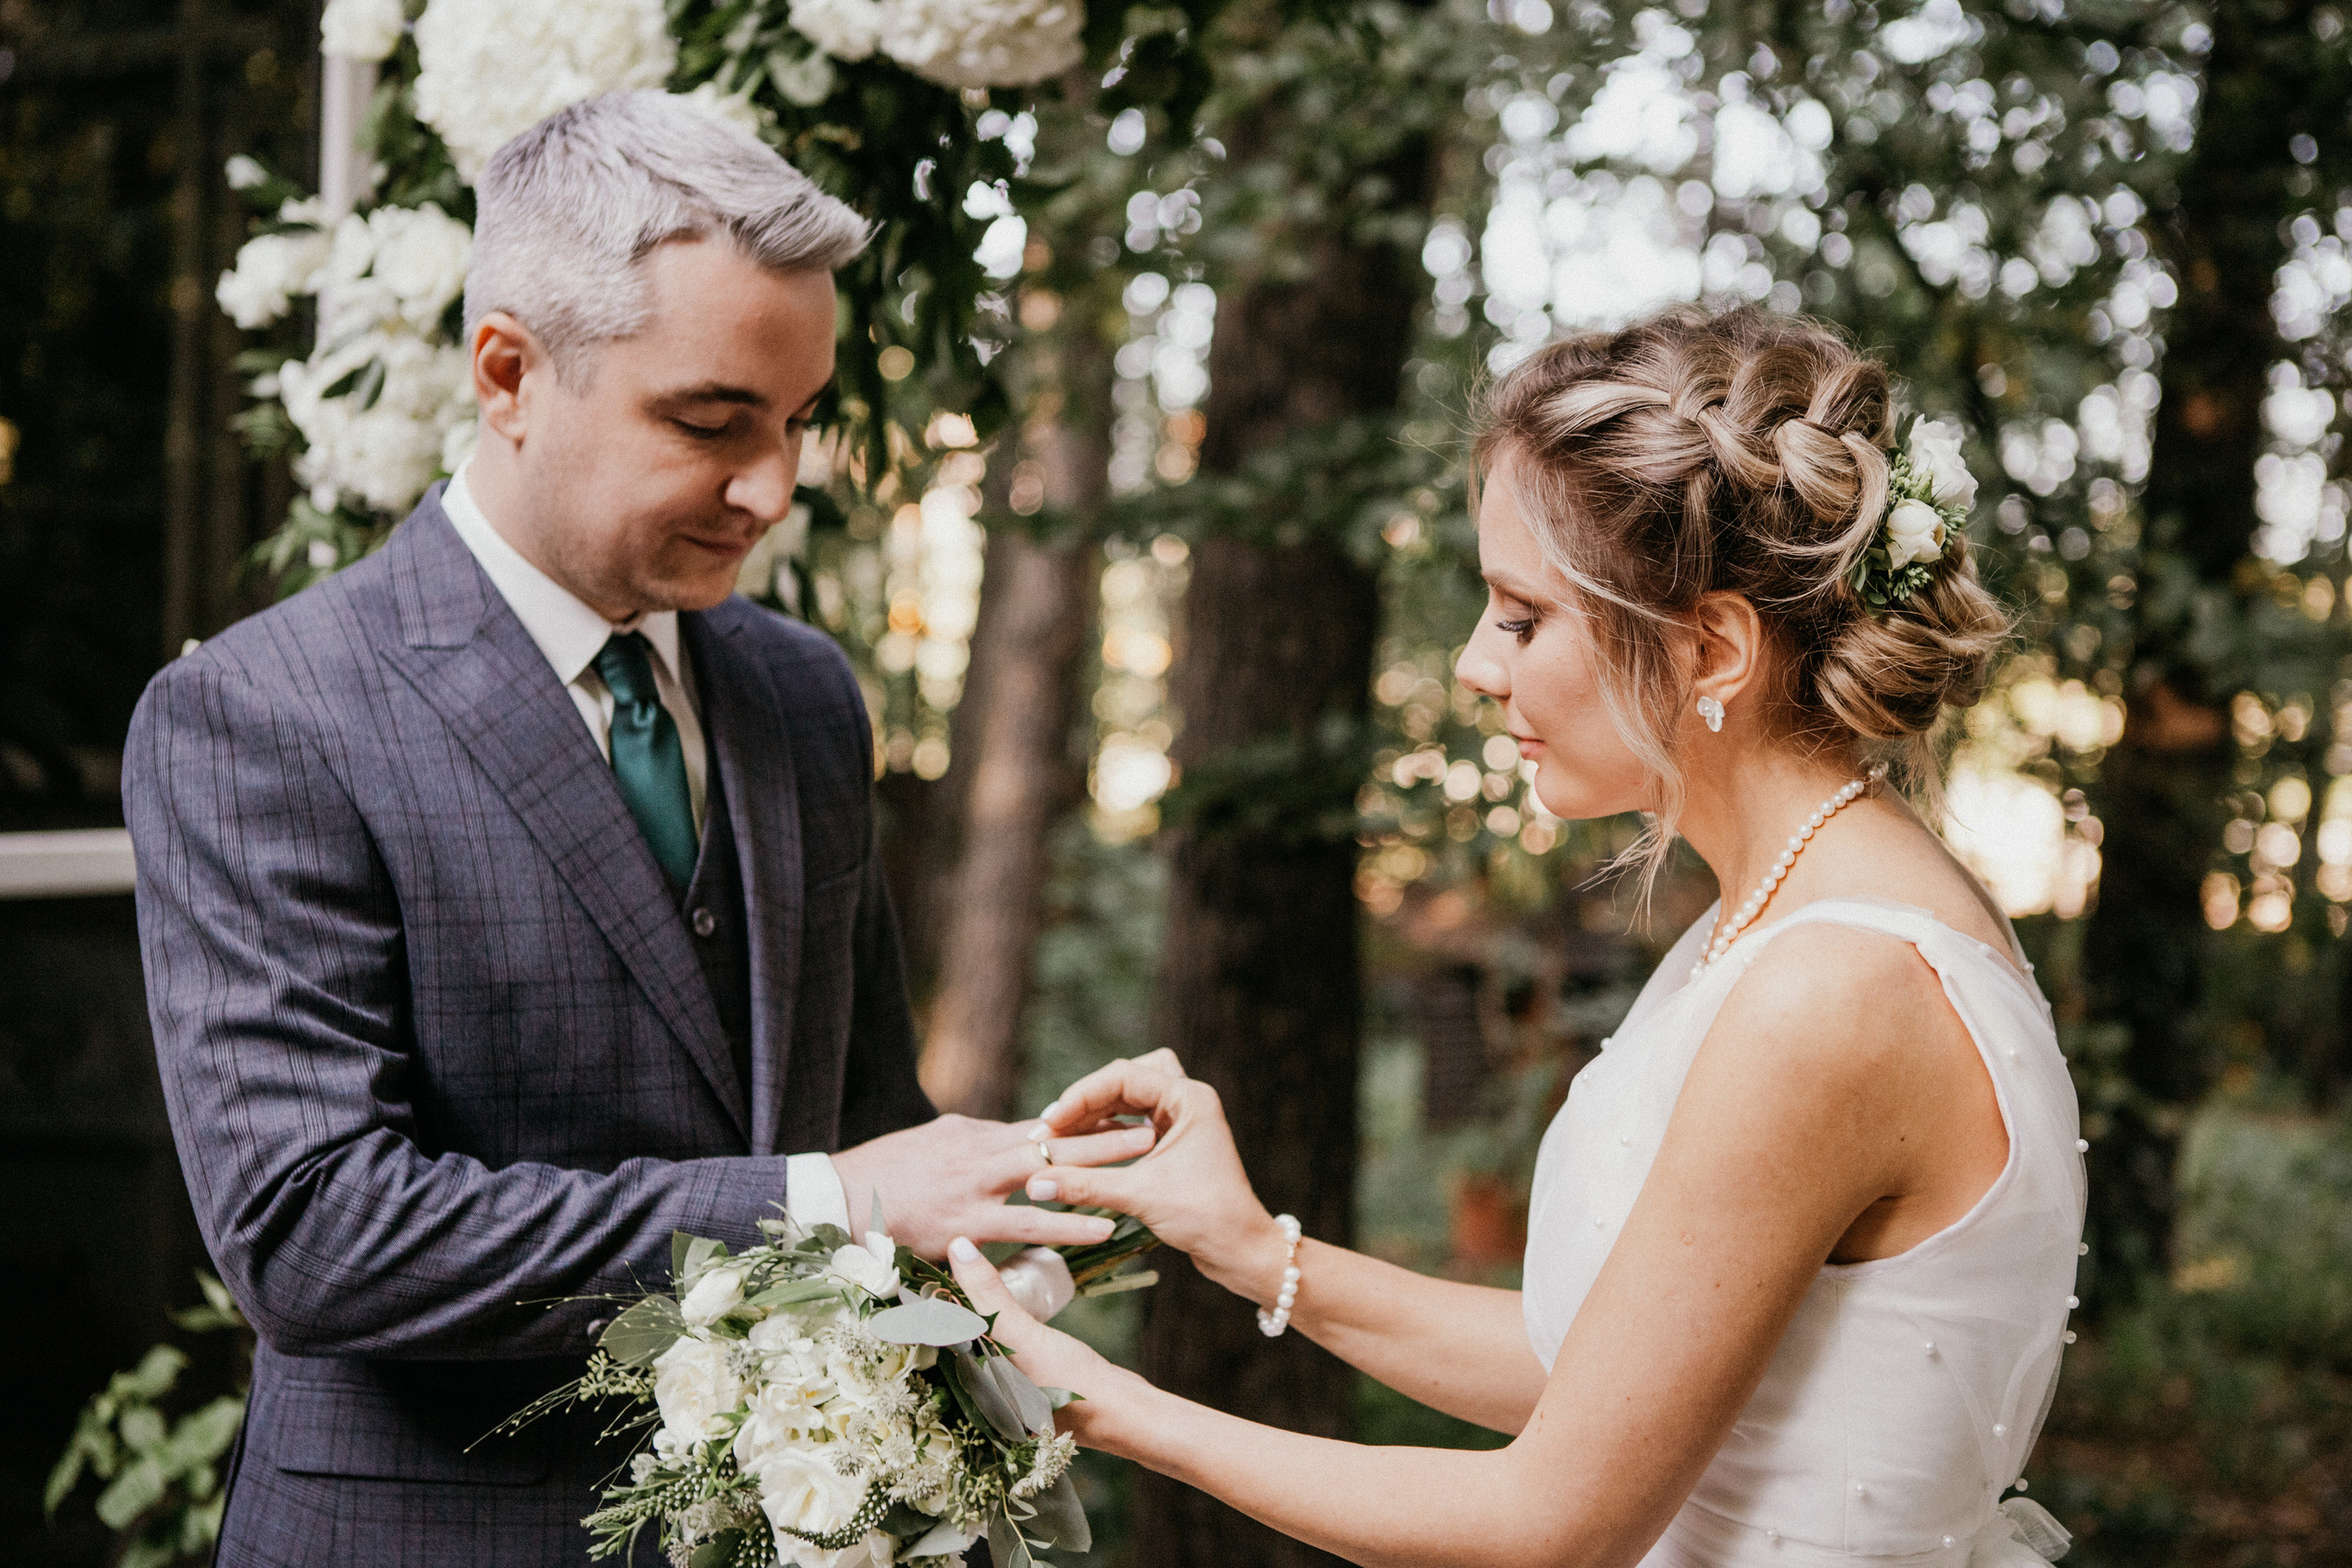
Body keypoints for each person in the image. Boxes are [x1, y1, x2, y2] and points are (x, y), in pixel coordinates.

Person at [124, 90, 1143, 1568]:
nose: (772, 488)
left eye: (797, 422)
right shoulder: (263, 715)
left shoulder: (804, 697)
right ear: (510, 373)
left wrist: (1030, 1200)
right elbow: (314, 1235)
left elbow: (865, 1121)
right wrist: (825, 1205)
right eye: (711, 422)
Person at [948, 306, 2089, 1568]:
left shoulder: (1832, 989)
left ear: (1712, 647)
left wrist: (1103, 1407)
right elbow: (1607, 1379)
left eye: (1521, 616)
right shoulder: (1799, 911)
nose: (1475, 666)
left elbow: (1550, 1522)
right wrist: (1254, 1249)